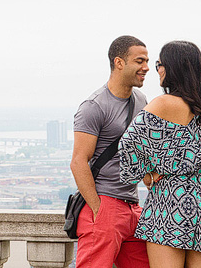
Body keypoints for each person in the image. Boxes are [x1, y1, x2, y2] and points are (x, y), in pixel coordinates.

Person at [119, 40, 201, 268]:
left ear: (171, 68)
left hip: (168, 203)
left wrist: (147, 176)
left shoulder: (160, 105)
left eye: (160, 64)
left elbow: (128, 145)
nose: (157, 70)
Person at [70, 35, 151, 267]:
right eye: (139, 61)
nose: (146, 67)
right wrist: (98, 209)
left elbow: (140, 149)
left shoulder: (141, 100)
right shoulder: (94, 106)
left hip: (133, 206)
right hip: (105, 203)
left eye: (147, 61)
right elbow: (78, 162)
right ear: (119, 63)